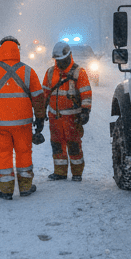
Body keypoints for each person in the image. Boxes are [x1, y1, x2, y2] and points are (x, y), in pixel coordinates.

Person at [0, 36, 46, 200]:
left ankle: (6, 189)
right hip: (23, 122)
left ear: (1, 50)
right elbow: (38, 97)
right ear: (17, 50)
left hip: (0, 123)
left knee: (3, 154)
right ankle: (25, 187)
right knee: (24, 153)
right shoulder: (28, 71)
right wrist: (40, 117)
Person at [42, 41, 93, 181]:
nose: (59, 63)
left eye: (62, 60)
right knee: (57, 145)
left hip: (72, 118)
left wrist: (85, 111)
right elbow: (45, 94)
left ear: (69, 56)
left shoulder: (78, 72)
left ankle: (77, 173)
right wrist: (40, 113)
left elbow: (86, 93)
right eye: (57, 60)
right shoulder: (50, 72)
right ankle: (60, 172)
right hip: (55, 118)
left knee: (74, 145)